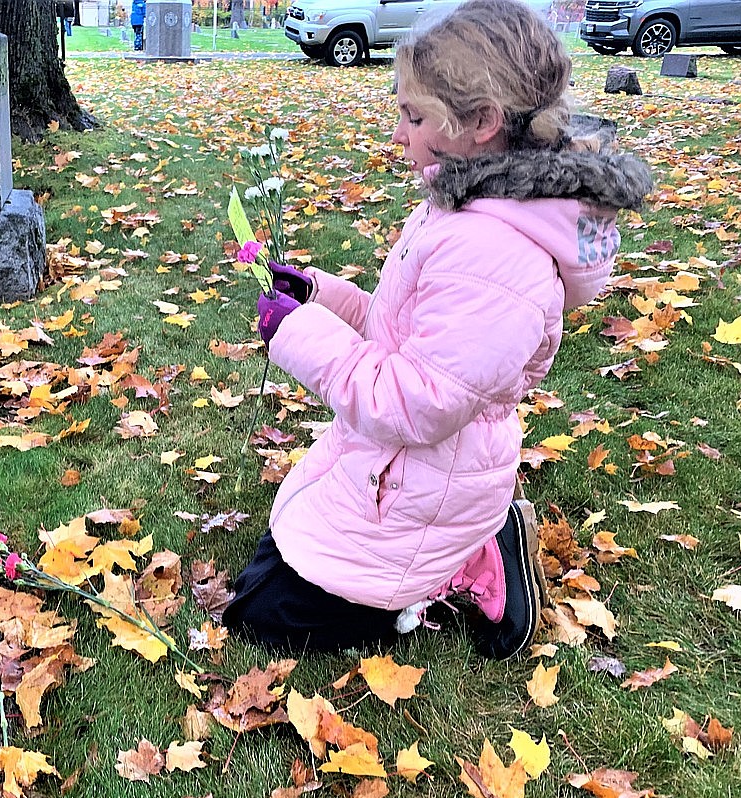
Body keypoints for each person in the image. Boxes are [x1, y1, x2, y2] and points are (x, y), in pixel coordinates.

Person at [225, 0, 652, 659]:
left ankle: (474, 556)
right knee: (271, 559)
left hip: (426, 467)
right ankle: (457, 542)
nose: (399, 134)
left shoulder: (497, 253)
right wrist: (318, 296)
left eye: (414, 116)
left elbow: (413, 400)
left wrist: (297, 335)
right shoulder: (465, 203)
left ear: (481, 121)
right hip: (406, 469)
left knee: (258, 614)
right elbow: (400, 333)